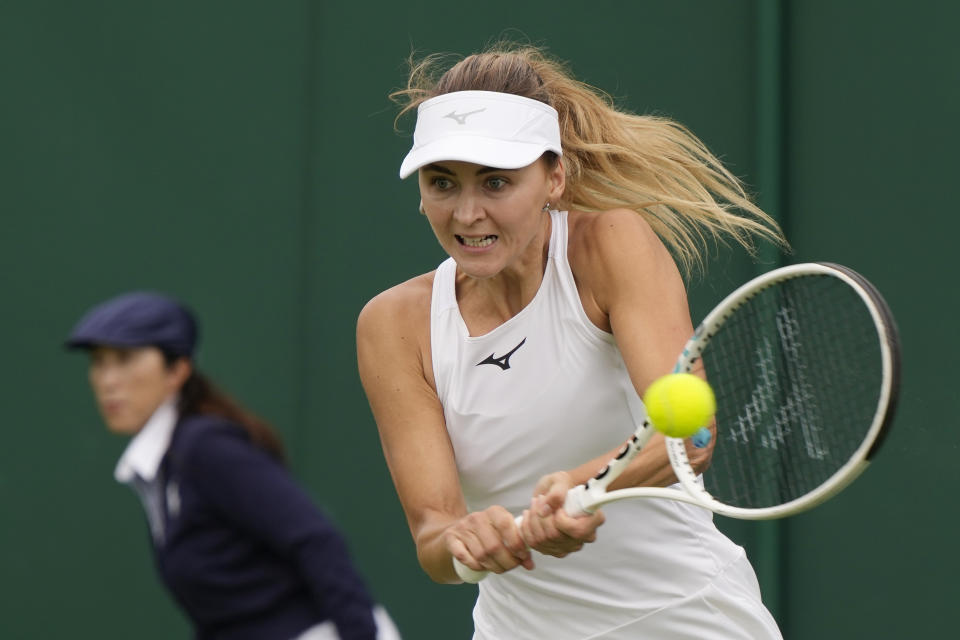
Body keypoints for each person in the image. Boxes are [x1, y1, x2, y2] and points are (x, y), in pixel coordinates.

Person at [356, 43, 787, 639]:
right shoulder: (392, 324)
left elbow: (691, 435)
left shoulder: (610, 244)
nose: (468, 213)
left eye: (497, 182)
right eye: (443, 183)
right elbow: (433, 532)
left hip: (685, 618)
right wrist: (465, 543)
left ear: (553, 176)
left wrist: (585, 488)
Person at [66, 291, 401, 640]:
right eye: (99, 362)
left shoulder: (204, 447)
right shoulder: (167, 462)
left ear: (177, 370)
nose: (107, 380)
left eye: (124, 358)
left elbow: (314, 538)